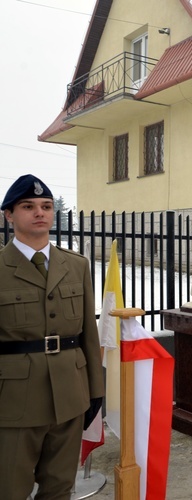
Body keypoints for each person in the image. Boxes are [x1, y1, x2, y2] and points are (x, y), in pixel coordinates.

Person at [0, 174, 104, 499]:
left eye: (46, 206)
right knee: (10, 489)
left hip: (70, 396)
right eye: (28, 206)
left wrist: (95, 391)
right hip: (15, 401)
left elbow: (89, 333)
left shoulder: (76, 266)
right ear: (9, 215)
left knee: (60, 487)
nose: (39, 212)